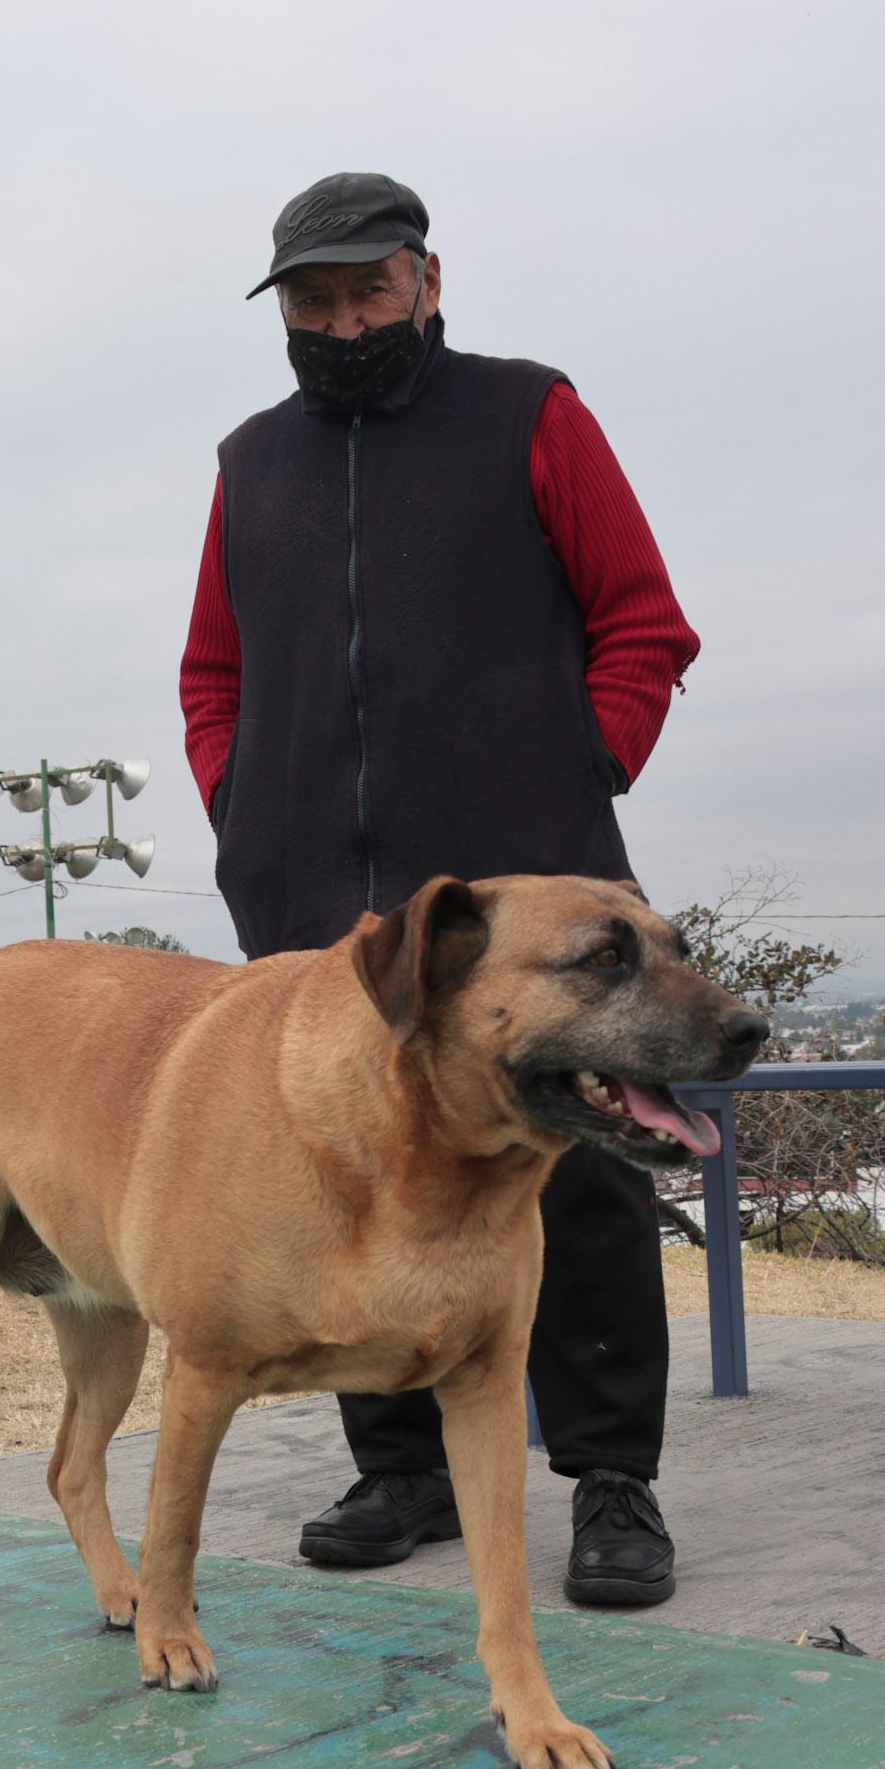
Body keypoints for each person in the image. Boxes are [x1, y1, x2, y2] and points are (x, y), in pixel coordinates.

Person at [178, 172, 701, 1606]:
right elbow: (214, 672)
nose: (345, 322)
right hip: (316, 899)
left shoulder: (531, 414)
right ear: (284, 309)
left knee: (582, 1168)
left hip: (525, 903)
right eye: (315, 300)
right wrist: (239, 806)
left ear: (427, 278)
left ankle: (612, 1480)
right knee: (352, 1169)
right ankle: (400, 1469)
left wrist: (577, 782)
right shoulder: (250, 462)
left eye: (370, 290)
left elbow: (643, 623)